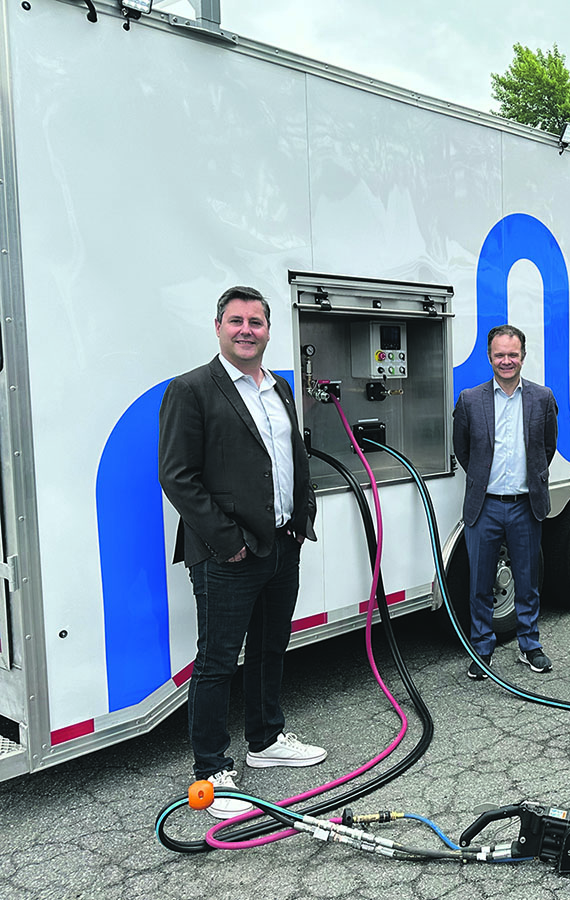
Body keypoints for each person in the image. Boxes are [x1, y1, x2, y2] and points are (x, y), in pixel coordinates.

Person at [159, 286, 323, 820]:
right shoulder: (192, 390)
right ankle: (210, 769)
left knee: (271, 646)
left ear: (270, 330)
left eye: (256, 321)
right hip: (228, 555)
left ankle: (266, 739)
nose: (246, 329)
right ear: (218, 327)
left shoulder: (280, 389)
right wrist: (228, 543)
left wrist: (302, 521)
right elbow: (178, 478)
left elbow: (293, 459)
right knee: (216, 661)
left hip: (281, 544)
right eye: (236, 321)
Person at [452, 324, 558, 680]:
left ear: (523, 357)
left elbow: (547, 447)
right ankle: (482, 649)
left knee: (527, 582)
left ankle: (530, 645)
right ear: (489, 357)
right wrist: (487, 480)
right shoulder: (470, 399)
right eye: (500, 354)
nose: (506, 361)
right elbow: (463, 450)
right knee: (480, 584)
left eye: (513, 354)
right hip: (485, 506)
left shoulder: (542, 398)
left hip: (525, 506)